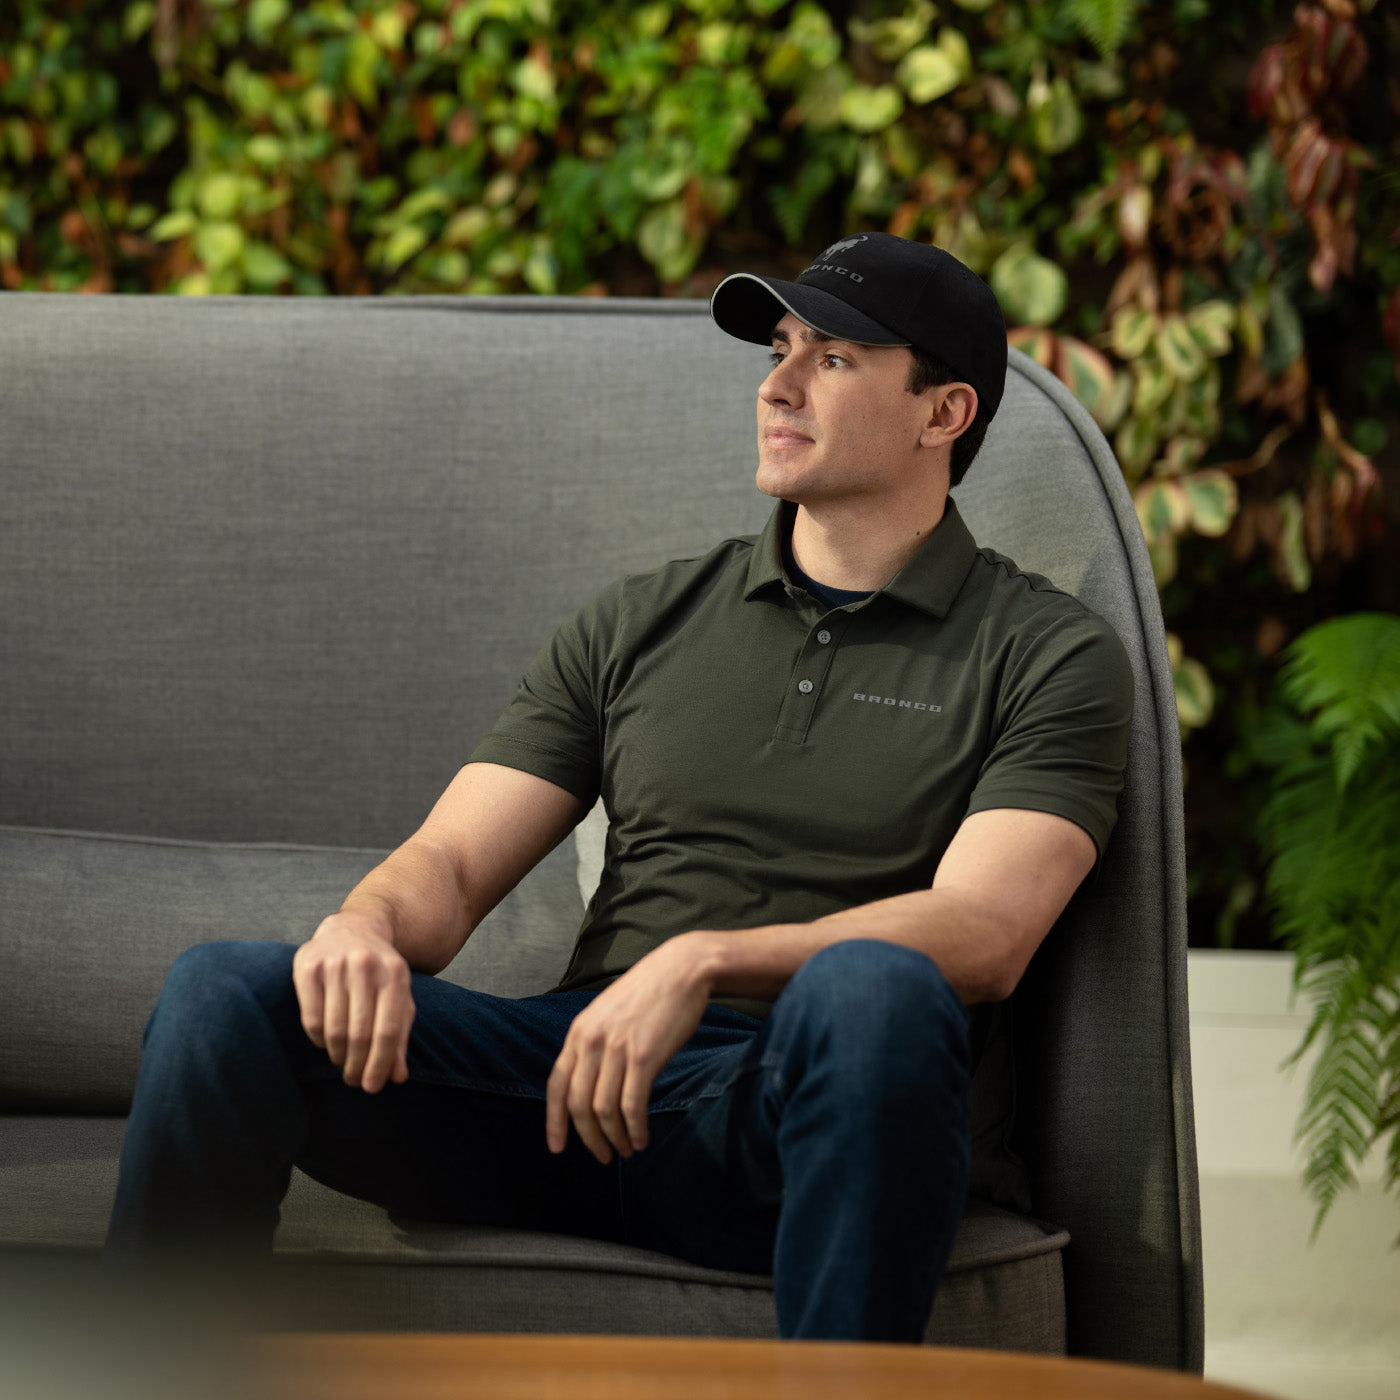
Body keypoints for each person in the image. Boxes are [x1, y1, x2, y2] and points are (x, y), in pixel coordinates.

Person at [105, 232, 1134, 1342]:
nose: (777, 384)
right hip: (566, 1091)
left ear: (943, 413)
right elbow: (448, 869)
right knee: (227, 992)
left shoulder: (1044, 652)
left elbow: (984, 930)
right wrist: (361, 923)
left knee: (876, 993)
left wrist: (703, 959)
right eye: (778, 348)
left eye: (833, 358)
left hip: (779, 1121)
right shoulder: (645, 617)